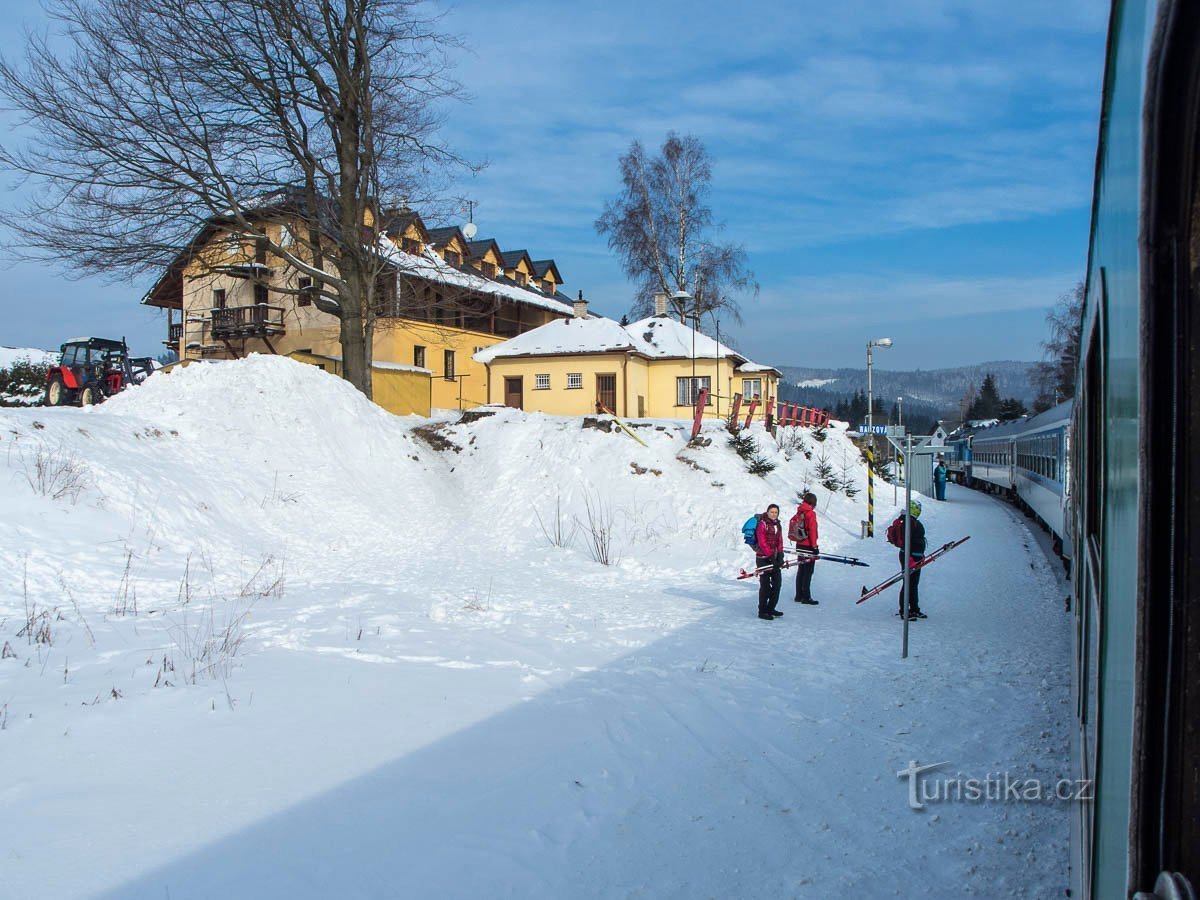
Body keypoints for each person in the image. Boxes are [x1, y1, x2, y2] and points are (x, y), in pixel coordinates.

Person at [889, 498, 927, 619]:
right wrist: (910, 558)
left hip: (915, 556)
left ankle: (914, 609)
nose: (919, 511)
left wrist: (920, 555)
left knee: (913, 583)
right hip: (909, 557)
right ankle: (904, 611)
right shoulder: (908, 522)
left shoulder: (910, 521)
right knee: (908, 584)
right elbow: (907, 541)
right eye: (918, 509)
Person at [755, 504, 785, 620]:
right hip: (763, 558)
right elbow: (762, 542)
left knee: (777, 584)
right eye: (771, 512)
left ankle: (771, 608)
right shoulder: (762, 524)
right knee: (765, 586)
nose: (773, 514)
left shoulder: (778, 524)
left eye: (776, 512)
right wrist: (771, 556)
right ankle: (762, 611)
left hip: (775, 558)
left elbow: (780, 540)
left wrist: (780, 555)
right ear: (767, 512)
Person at [789, 492, 820, 605]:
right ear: (813, 502)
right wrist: (814, 546)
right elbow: (812, 530)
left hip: (800, 544)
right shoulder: (811, 513)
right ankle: (806, 596)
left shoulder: (800, 511)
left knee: (801, 570)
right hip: (808, 545)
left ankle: (798, 595)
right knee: (808, 571)